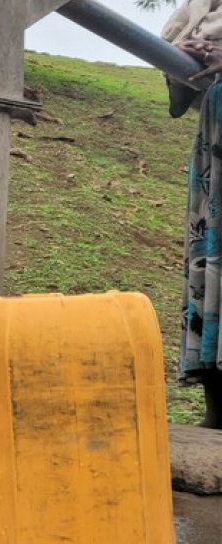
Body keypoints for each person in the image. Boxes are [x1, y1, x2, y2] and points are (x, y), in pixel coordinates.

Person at [161, 0, 222, 429]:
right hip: (216, 141)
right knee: (213, 264)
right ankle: (218, 411)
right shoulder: (200, 3)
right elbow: (180, 91)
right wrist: (183, 59)